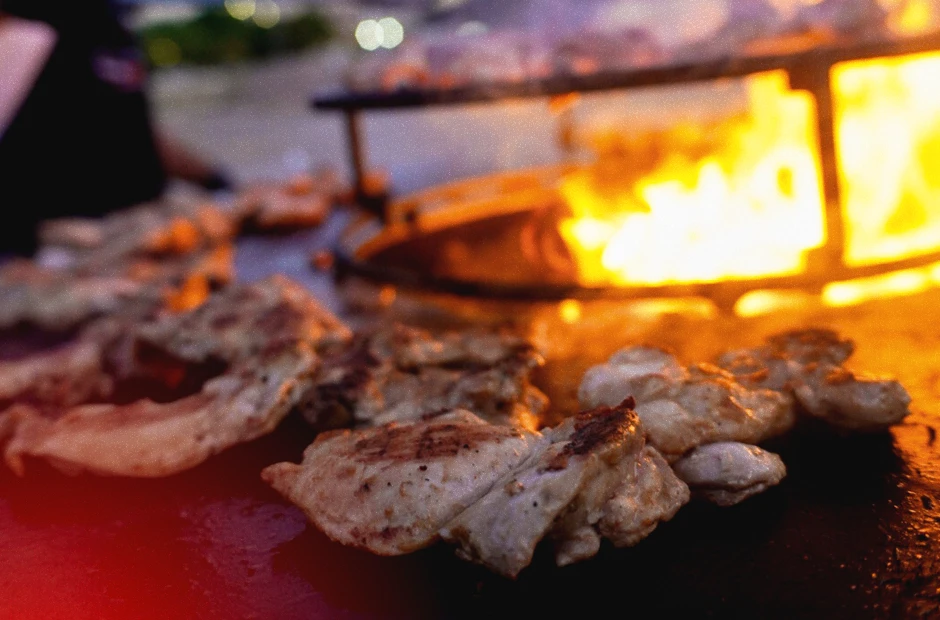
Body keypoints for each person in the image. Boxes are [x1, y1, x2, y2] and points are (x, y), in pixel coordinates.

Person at [0, 0, 229, 256]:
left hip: (149, 219)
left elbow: (131, 129)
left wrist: (220, 182)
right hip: (66, 240)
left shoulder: (111, 19)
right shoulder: (26, 17)